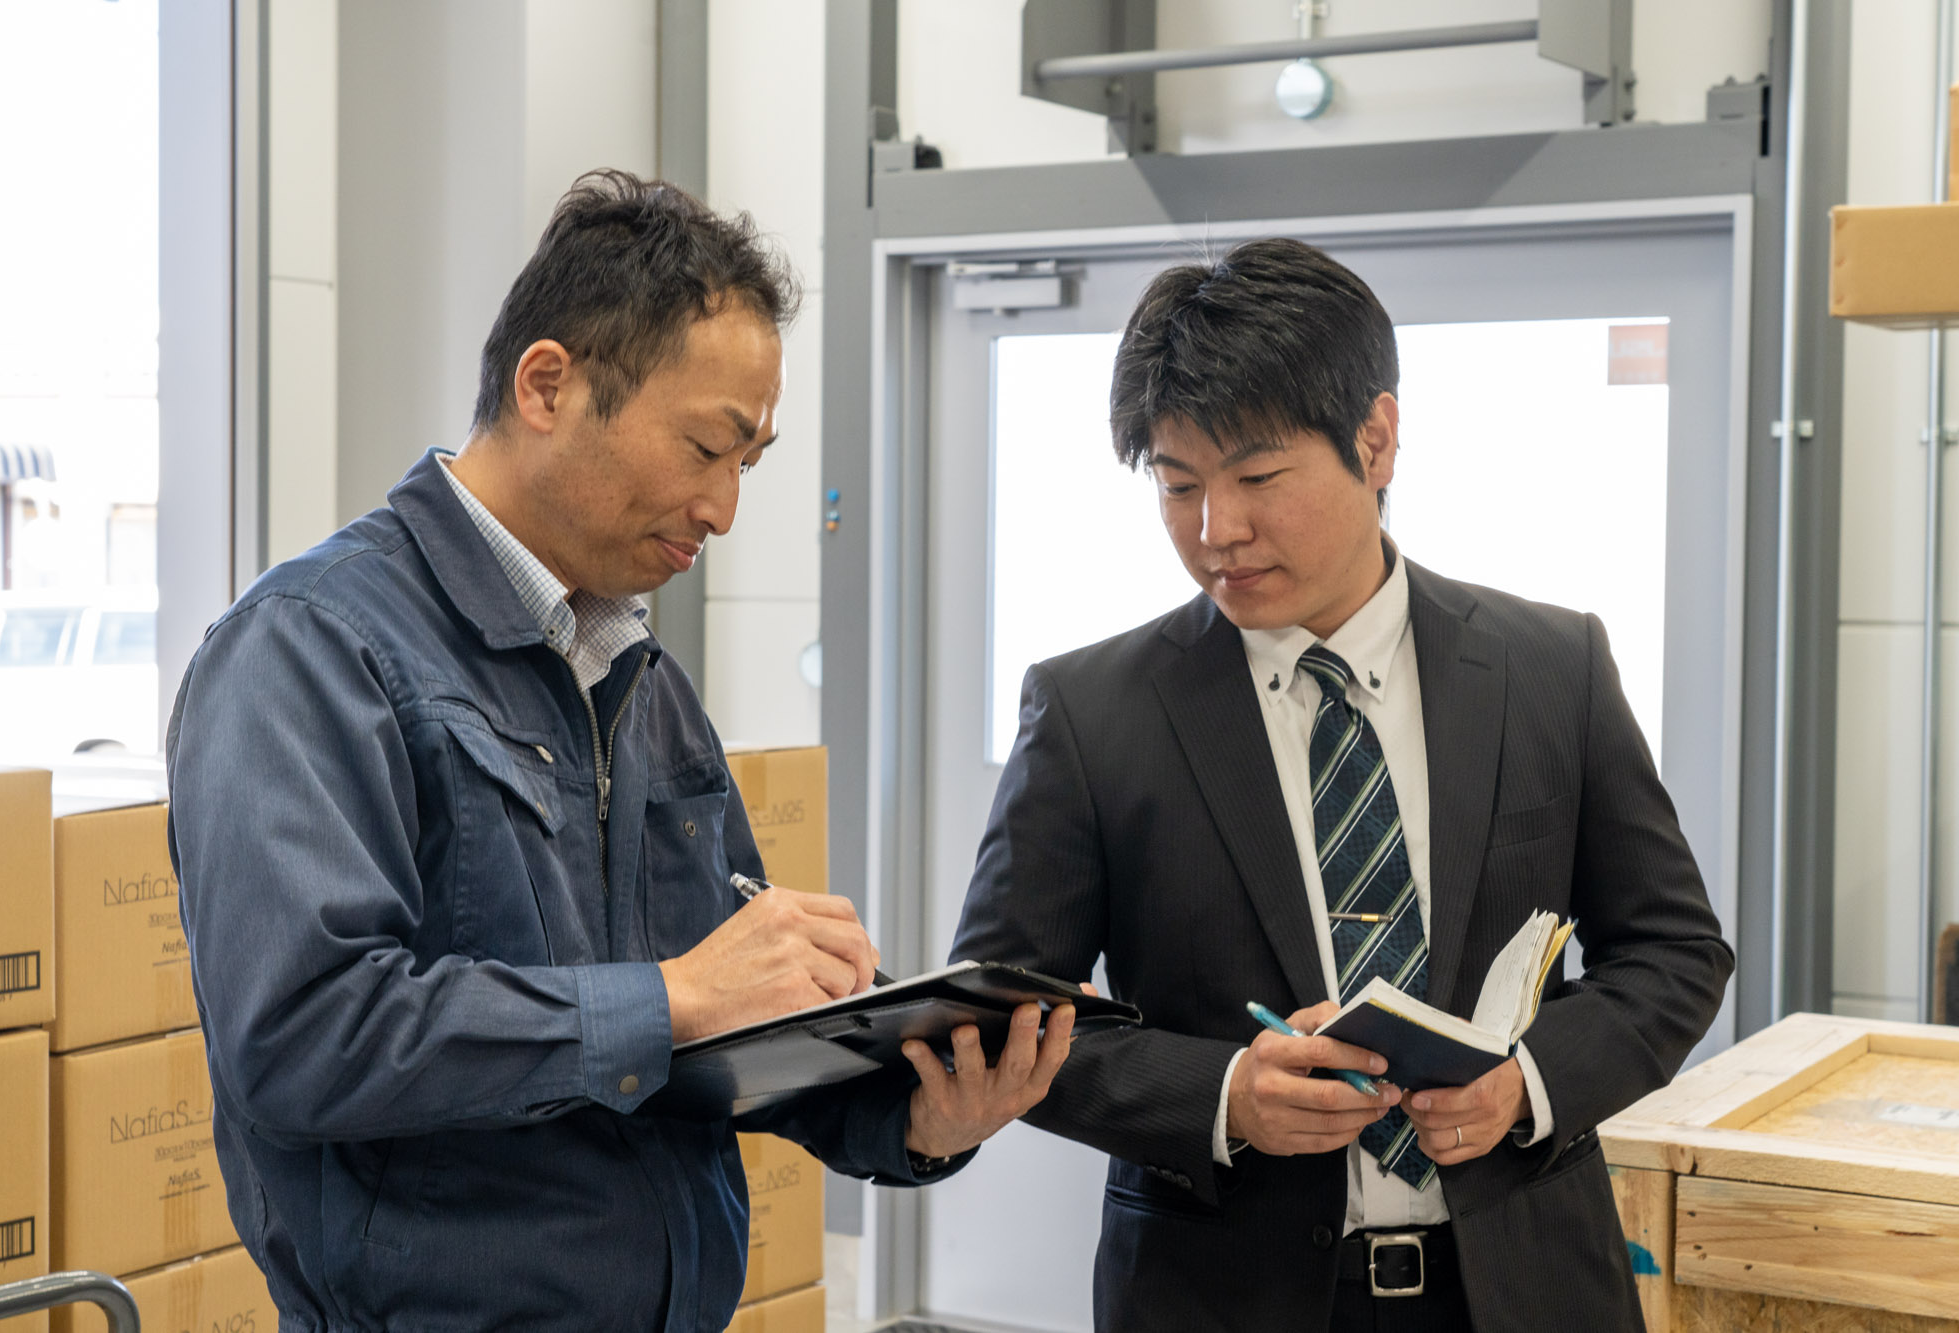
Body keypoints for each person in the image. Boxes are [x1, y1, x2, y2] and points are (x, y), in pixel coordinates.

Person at [167, 171, 1075, 1332]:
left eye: (750, 459)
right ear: (548, 384)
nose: (725, 507)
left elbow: (722, 1040)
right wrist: (670, 995)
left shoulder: (637, 675)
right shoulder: (308, 649)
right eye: (706, 446)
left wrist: (913, 1119)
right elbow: (303, 1038)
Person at [949, 237, 1732, 1333]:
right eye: (1177, 486)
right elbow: (1003, 1015)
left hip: (1523, 1288)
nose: (1216, 532)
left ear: (1375, 439)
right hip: (1223, 1296)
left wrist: (1525, 1084)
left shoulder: (1548, 668)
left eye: (1256, 478)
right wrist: (1223, 1095)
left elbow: (1674, 949)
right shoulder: (1094, 713)